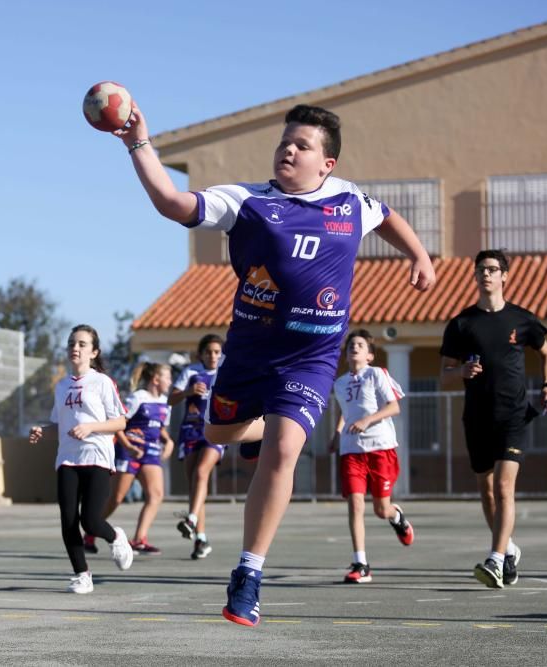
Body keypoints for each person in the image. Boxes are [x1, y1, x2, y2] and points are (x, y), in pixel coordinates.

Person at [117, 101, 435, 625]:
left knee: (286, 447)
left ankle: (249, 572)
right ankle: (264, 426)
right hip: (250, 350)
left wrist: (419, 255)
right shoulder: (247, 202)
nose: (288, 149)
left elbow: (389, 217)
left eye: (302, 145)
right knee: (218, 434)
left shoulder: (349, 200)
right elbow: (173, 202)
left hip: (311, 355)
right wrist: (138, 144)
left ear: (326, 163)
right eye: (285, 142)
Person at [440, 249, 547, 590]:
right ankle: (508, 549)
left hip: (513, 415)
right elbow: (443, 376)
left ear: (505, 276)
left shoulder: (522, 320)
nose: (486, 275)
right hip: (476, 417)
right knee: (487, 491)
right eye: (481, 270)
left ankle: (494, 557)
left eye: (492, 269)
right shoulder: (461, 324)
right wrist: (460, 370)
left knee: (505, 487)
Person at [29, 324, 134, 594]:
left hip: (97, 456)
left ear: (94, 351)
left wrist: (91, 427)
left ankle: (116, 536)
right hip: (67, 459)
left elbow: (120, 422)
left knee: (90, 520)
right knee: (67, 520)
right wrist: (43, 431)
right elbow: (59, 427)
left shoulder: (102, 382)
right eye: (72, 343)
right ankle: (81, 575)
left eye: (82, 344)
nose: (75, 348)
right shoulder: (61, 386)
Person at [331, 329, 414, 584]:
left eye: (359, 345)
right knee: (355, 503)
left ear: (369, 355)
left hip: (380, 448)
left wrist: (368, 420)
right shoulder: (340, 382)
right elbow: (347, 411)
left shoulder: (377, 374)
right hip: (351, 450)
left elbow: (394, 406)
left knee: (381, 509)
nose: (354, 348)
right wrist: (337, 434)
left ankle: (397, 517)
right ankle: (361, 563)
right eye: (350, 346)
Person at [100, 362, 174, 555]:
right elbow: (118, 424)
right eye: (168, 377)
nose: (170, 381)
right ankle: (92, 529)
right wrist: (128, 446)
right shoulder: (138, 398)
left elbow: (160, 428)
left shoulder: (166, 403)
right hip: (129, 450)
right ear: (156, 380)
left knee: (156, 495)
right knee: (116, 498)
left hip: (150, 452)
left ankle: (139, 539)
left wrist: (169, 442)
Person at [172, 334, 225, 559]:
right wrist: (187, 392)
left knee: (202, 472)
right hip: (191, 431)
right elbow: (170, 399)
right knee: (195, 484)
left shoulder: (227, 371)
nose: (213, 356)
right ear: (200, 354)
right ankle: (201, 539)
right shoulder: (191, 372)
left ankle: (192, 519)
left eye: (216, 352)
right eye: (208, 352)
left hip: (216, 430)